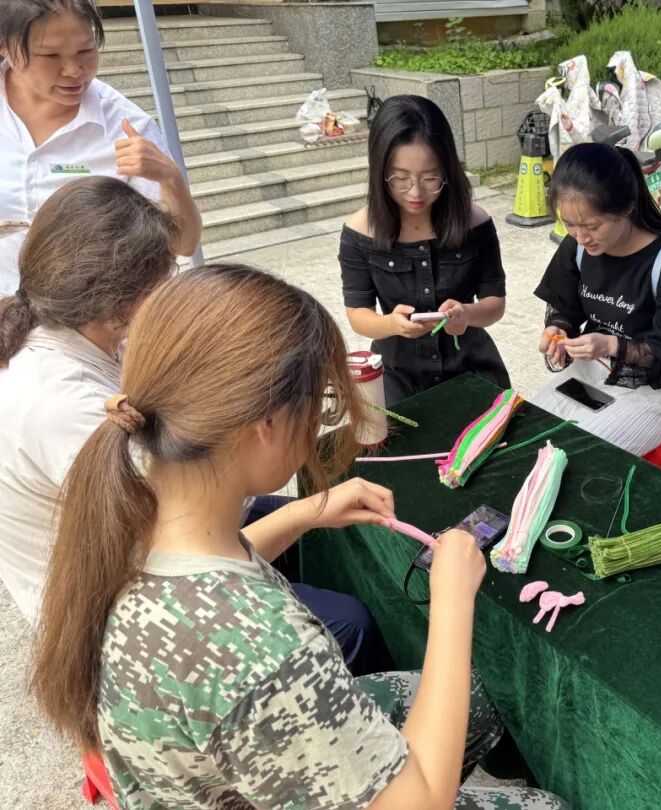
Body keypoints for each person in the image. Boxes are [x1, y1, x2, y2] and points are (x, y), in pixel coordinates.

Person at [29, 263, 567, 810]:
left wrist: (306, 512)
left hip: (223, 763)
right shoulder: (267, 651)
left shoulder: (123, 523)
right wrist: (453, 600)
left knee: (475, 699)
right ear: (265, 425)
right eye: (321, 403)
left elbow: (217, 579)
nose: (319, 422)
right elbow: (417, 803)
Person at [0, 177, 390, 676]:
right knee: (349, 624)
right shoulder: (63, 406)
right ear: (123, 299)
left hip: (152, 535)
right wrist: (304, 513)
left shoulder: (80, 334)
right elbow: (179, 562)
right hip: (120, 614)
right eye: (166, 279)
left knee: (314, 530)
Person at [0, 0, 201, 294]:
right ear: (5, 46)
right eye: (51, 55)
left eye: (85, 51)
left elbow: (183, 243)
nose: (73, 70)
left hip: (89, 312)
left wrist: (170, 179)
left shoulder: (127, 128)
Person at [532, 142, 661, 456]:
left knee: (576, 455)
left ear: (627, 207)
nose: (581, 236)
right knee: (530, 434)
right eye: (569, 224)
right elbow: (564, 306)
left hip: (652, 391)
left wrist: (611, 345)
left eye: (592, 226)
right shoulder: (578, 247)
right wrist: (558, 329)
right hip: (592, 372)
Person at [339, 94, 509, 404]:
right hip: (398, 377)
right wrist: (391, 324)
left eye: (430, 178)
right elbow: (358, 313)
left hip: (472, 369)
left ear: (447, 170)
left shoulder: (475, 223)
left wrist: (467, 314)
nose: (415, 192)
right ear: (379, 172)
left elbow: (494, 303)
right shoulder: (359, 232)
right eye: (400, 178)